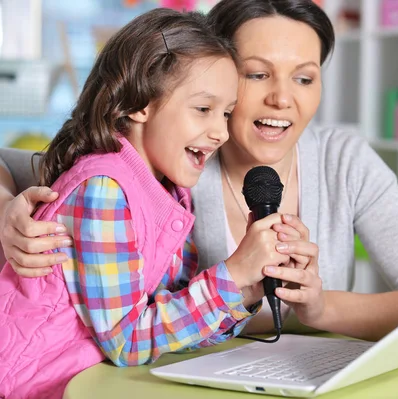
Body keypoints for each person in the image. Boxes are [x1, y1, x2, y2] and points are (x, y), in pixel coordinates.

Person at [0, 0, 398, 344]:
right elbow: (53, 169)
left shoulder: (341, 160)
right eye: (256, 73)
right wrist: (5, 209)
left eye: (304, 78)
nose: (283, 98)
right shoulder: (159, 164)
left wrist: (322, 307)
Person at [0, 8, 318, 399]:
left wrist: (248, 289)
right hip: (25, 385)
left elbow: (170, 320)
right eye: (203, 109)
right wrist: (231, 276)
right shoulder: (104, 188)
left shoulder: (168, 193)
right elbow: (128, 342)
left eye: (227, 113)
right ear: (140, 102)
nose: (220, 132)